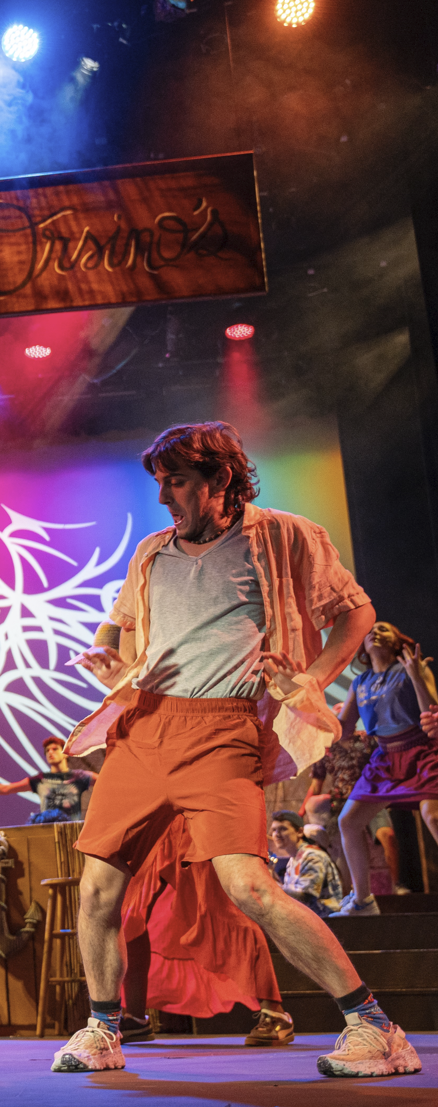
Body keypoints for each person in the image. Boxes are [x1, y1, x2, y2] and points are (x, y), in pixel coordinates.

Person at [58, 421, 418, 1079]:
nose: (164, 496)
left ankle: (375, 1026)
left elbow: (357, 612)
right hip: (144, 728)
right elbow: (123, 635)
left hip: (223, 730)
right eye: (160, 483)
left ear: (221, 477)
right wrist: (118, 672)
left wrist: (312, 678)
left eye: (178, 481)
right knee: (98, 885)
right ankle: (103, 1028)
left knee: (249, 885)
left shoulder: (285, 535)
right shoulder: (151, 552)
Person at [119, 818, 295, 1048]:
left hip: (195, 817)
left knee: (220, 905)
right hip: (151, 817)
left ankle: (275, 1011)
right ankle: (134, 1017)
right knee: (130, 911)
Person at [330, 622, 438, 915]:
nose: (375, 632)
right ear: (363, 646)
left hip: (422, 749)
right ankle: (363, 901)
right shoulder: (359, 682)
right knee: (348, 822)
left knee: (433, 815)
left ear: (395, 641)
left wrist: (416, 677)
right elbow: (344, 728)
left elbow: (432, 712)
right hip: (385, 757)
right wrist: (304, 706)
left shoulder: (413, 668)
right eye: (370, 631)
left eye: (384, 629)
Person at [303, 726, 401, 893]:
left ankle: (396, 886)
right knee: (343, 843)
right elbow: (316, 784)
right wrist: (301, 813)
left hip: (371, 796)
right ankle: (352, 892)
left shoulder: (365, 741)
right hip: (342, 802)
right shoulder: (326, 749)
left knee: (388, 835)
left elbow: (385, 764)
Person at [0, 736, 95, 823]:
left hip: (73, 831)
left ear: (65, 753)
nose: (50, 752)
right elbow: (7, 788)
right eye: (47, 751)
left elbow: (107, 781)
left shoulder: (79, 776)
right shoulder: (40, 780)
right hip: (47, 831)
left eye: (55, 749)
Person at [268, 810, 343, 917]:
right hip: (309, 921)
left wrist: (272, 885)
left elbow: (304, 897)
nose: (277, 834)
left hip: (326, 923)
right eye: (274, 830)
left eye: (283, 829)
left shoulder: (313, 856)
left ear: (299, 832)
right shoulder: (293, 860)